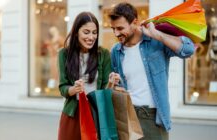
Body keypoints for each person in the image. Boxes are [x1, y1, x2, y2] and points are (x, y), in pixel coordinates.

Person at [108, 3, 195, 140]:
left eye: (120, 28)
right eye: (113, 29)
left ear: (134, 22)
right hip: (127, 117)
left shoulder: (155, 42)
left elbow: (188, 50)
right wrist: (113, 82)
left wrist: (158, 35)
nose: (116, 33)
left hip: (153, 119)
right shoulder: (116, 51)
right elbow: (118, 87)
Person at [57, 12, 111, 140]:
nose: (91, 37)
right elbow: (63, 87)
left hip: (96, 114)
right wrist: (74, 89)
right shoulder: (64, 54)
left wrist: (112, 83)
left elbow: (105, 89)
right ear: (76, 32)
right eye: (86, 32)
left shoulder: (103, 54)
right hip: (73, 114)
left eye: (94, 32)